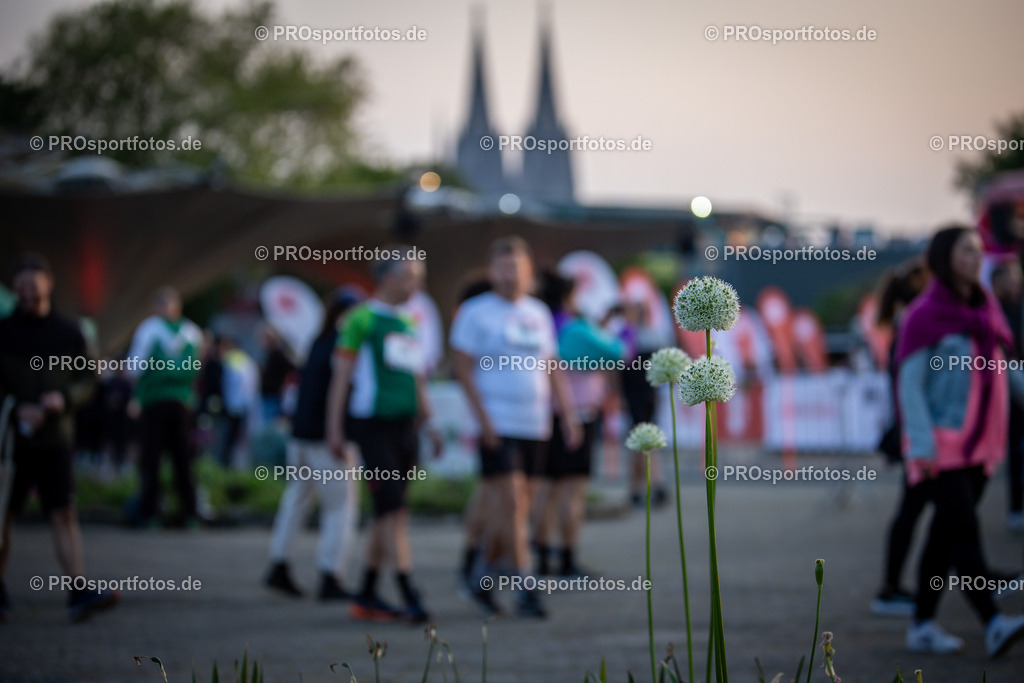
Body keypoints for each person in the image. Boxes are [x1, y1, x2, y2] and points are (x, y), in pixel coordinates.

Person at [897, 226, 1024, 656]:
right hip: (941, 447)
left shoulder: (985, 309)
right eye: (965, 250)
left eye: (977, 250)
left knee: (943, 538)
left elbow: (1006, 368)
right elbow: (910, 385)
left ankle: (921, 624)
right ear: (944, 258)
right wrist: (922, 446)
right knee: (965, 532)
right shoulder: (923, 315)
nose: (975, 257)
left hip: (984, 445)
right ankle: (993, 622)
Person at [450, 236, 581, 618]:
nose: (510, 276)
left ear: (529, 273)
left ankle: (480, 575)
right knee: (508, 499)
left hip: (535, 423)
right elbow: (461, 368)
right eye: (503, 268)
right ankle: (526, 587)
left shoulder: (538, 313)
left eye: (517, 269)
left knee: (517, 508)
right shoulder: (476, 313)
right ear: (492, 272)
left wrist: (568, 415)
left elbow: (552, 365)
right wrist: (483, 420)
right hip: (497, 421)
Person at [0, 253, 118, 622]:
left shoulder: (68, 332)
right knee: (3, 513)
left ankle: (78, 590)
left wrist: (61, 400)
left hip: (54, 437)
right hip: (9, 441)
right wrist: (14, 406)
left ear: (48, 284)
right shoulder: (3, 333)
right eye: (21, 288)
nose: (28, 294)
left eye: (33, 286)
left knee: (64, 512)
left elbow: (88, 380)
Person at [326, 251, 436, 624]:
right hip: (372, 426)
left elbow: (416, 376)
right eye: (409, 276)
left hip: (406, 427)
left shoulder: (409, 320)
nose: (416, 284)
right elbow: (340, 378)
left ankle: (368, 592)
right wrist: (335, 429)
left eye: (418, 276)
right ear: (387, 278)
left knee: (386, 514)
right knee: (394, 512)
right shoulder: (361, 319)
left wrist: (430, 422)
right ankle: (409, 593)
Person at [265, 289, 363, 601]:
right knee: (340, 507)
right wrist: (339, 433)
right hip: (327, 437)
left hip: (301, 435)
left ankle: (279, 563)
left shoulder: (318, 341)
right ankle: (330, 574)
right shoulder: (344, 345)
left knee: (296, 499)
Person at [533, 272, 624, 577]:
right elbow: (619, 352)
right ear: (567, 297)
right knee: (573, 491)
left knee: (546, 489)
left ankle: (541, 557)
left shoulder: (538, 323)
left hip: (544, 416)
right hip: (579, 416)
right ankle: (568, 559)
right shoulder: (575, 329)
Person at [871, 258, 930, 616]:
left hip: (914, 433)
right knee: (922, 511)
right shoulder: (911, 326)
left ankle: (893, 588)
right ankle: (891, 590)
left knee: (924, 511)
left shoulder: (903, 325)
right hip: (916, 435)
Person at [127, 287, 204, 528]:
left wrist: (138, 394)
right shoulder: (192, 332)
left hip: (156, 402)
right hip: (181, 403)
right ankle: (190, 513)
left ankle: (151, 514)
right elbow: (197, 366)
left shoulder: (150, 329)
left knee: (152, 460)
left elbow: (134, 368)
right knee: (182, 460)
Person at [619, 300, 669, 508]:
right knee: (641, 437)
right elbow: (618, 366)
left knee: (643, 437)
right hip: (633, 392)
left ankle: (641, 486)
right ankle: (649, 484)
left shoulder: (652, 334)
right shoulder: (625, 334)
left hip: (647, 392)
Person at [991, 259, 1024, 534]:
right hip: (1007, 395)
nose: (1016, 282)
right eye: (1011, 277)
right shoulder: (992, 313)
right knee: (1014, 452)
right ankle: (1016, 508)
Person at [215, 335, 260, 468]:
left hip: (234, 406)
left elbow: (229, 385)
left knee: (230, 440)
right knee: (239, 440)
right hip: (243, 405)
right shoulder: (246, 360)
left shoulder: (232, 360)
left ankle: (227, 465)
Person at [259, 326, 296, 423]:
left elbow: (292, 368)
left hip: (274, 396)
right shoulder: (271, 354)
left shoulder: (278, 355)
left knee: (270, 425)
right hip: (270, 396)